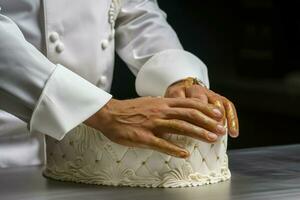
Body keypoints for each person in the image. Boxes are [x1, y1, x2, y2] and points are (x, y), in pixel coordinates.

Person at [0, 0, 239, 168]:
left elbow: (135, 11)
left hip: (87, 161)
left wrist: (180, 78)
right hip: (8, 154)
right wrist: (102, 111)